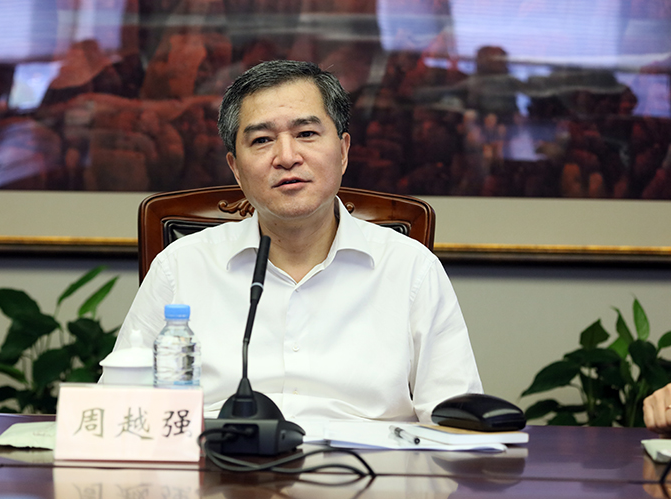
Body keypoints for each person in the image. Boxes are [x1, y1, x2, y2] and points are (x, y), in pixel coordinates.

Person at [111, 60, 482, 423]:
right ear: (236, 169)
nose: (287, 157)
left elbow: (455, 420)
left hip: (368, 463)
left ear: (343, 151)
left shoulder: (411, 269)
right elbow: (120, 411)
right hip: (220, 460)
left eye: (306, 134)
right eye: (262, 140)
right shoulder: (180, 267)